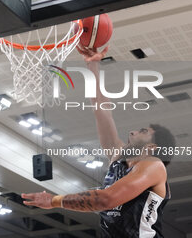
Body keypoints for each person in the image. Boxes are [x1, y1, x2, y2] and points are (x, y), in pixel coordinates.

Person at [22, 44, 176, 238]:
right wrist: (93, 65)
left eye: (143, 131)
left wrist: (54, 200)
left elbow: (106, 199)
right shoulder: (117, 157)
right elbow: (102, 110)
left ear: (152, 146)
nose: (132, 131)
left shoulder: (153, 165)